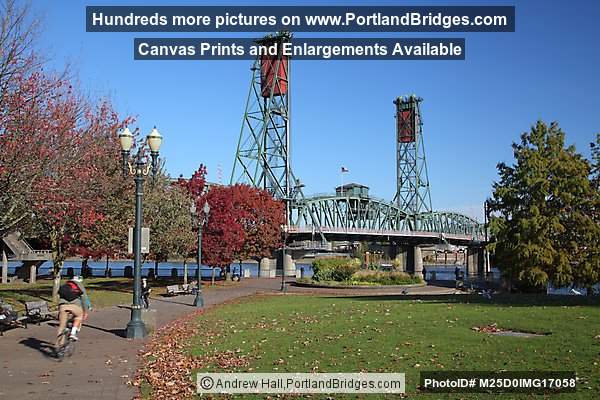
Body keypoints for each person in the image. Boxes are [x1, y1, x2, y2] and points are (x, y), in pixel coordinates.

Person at [55, 276, 91, 348]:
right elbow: (84, 298)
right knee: (78, 317)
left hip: (63, 306)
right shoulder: (79, 285)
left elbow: (59, 296)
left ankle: (58, 346)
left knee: (61, 326)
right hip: (75, 306)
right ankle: (73, 333)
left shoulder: (65, 285)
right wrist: (85, 311)